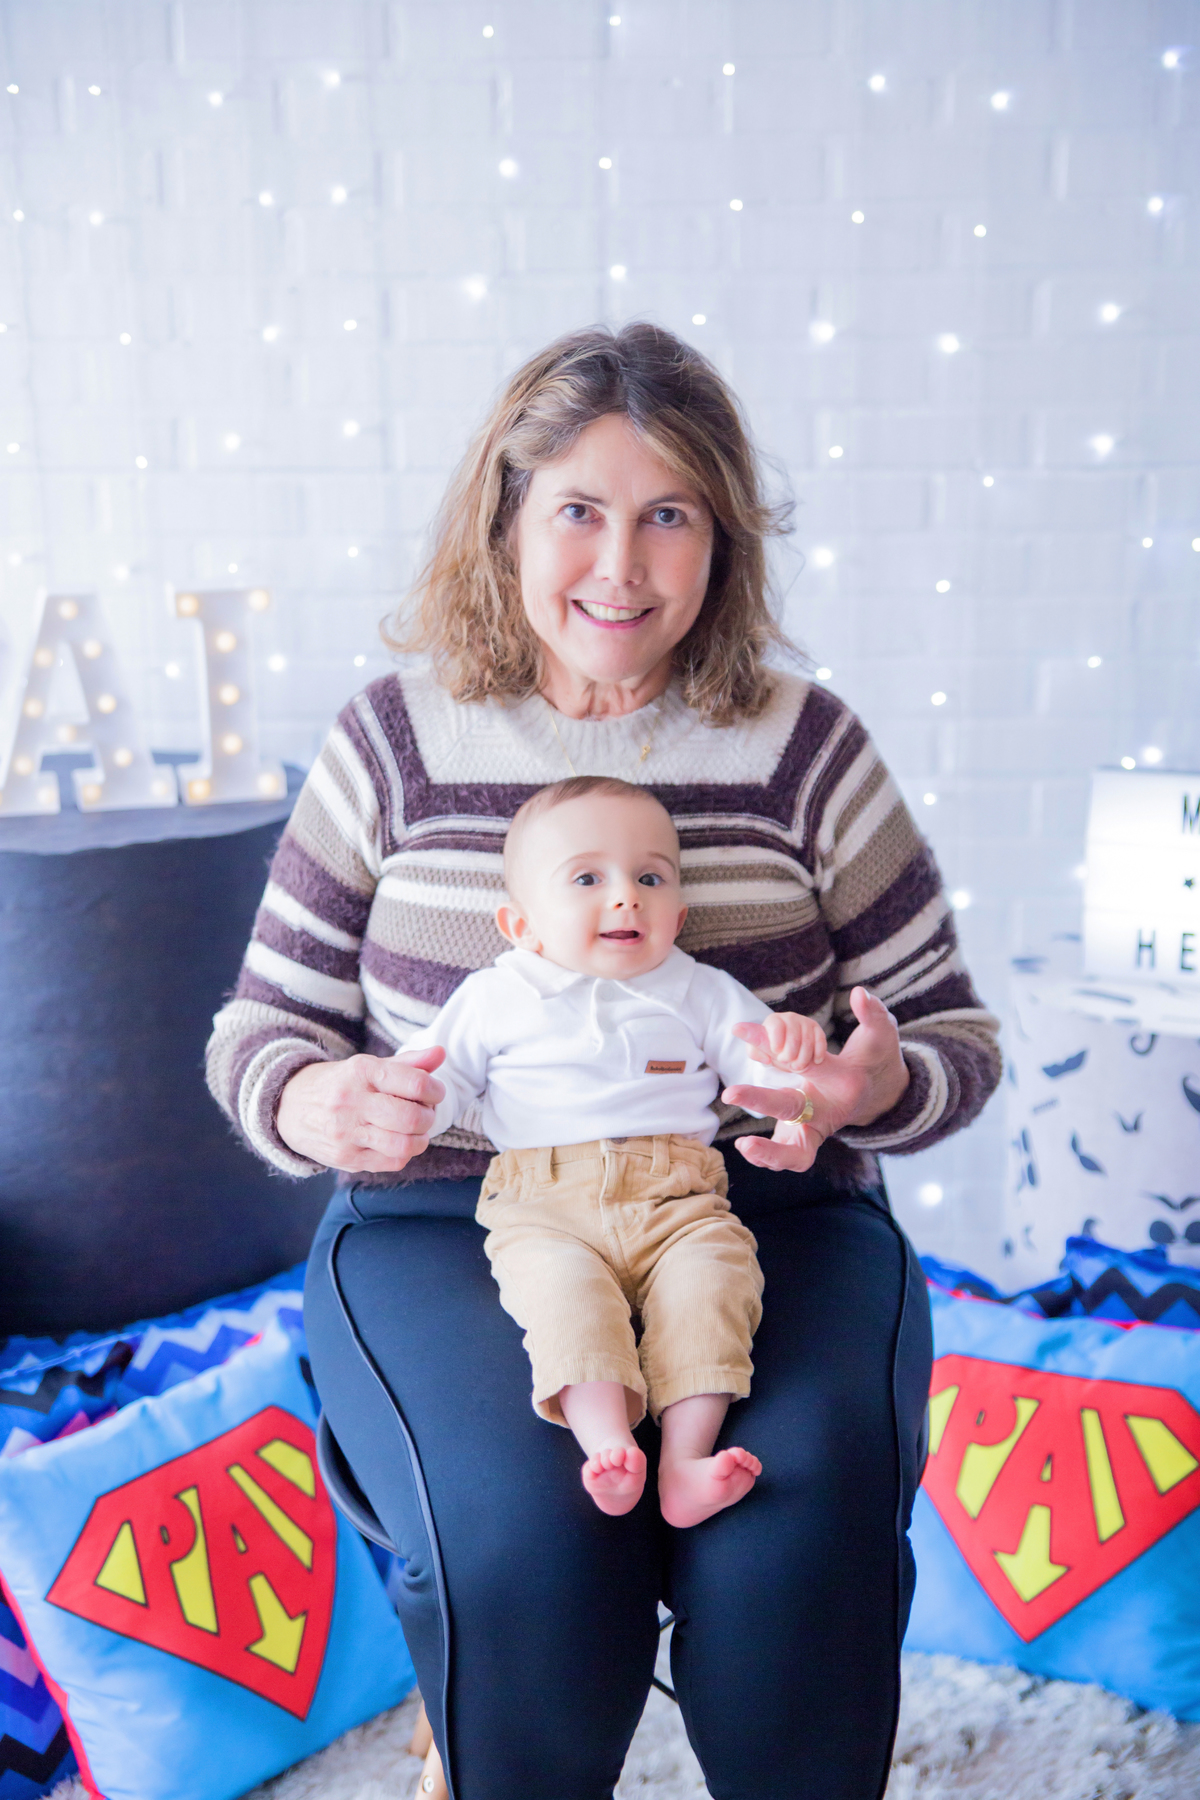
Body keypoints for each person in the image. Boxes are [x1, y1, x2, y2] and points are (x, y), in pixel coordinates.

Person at [207, 321, 1001, 1800]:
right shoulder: (393, 739)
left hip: (764, 1224)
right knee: (528, 1550)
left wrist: (865, 1086)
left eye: (669, 514)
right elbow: (262, 1036)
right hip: (459, 1226)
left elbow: (951, 1041)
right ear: (505, 517)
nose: (621, 566)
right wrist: (323, 1100)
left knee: (787, 1555)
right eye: (579, 508)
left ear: (721, 539)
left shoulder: (804, 747)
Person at [398, 773, 838, 1527]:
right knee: (566, 1301)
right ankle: (607, 1445)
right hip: (543, 1204)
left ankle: (683, 1461)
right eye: (587, 878)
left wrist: (798, 1073)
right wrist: (405, 1097)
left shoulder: (700, 990)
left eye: (650, 877)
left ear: (679, 911)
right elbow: (443, 1085)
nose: (627, 895)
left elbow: (770, 1078)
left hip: (681, 1198)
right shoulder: (495, 996)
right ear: (520, 924)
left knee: (714, 1286)